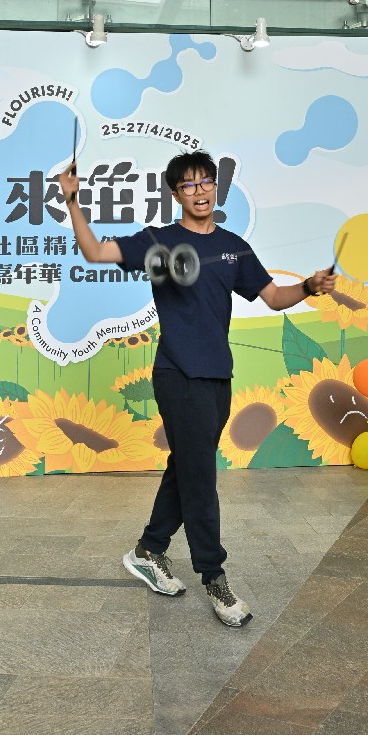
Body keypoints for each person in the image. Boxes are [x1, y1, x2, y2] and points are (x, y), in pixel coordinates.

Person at [58, 149, 337, 626]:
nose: (200, 191)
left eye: (206, 182)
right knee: (201, 477)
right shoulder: (159, 241)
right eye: (188, 185)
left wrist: (310, 286)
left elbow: (273, 297)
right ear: (176, 194)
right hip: (177, 373)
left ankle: (149, 549)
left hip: (217, 375)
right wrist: (72, 201)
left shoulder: (233, 247)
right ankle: (215, 577)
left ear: (215, 187)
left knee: (187, 466)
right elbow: (96, 252)